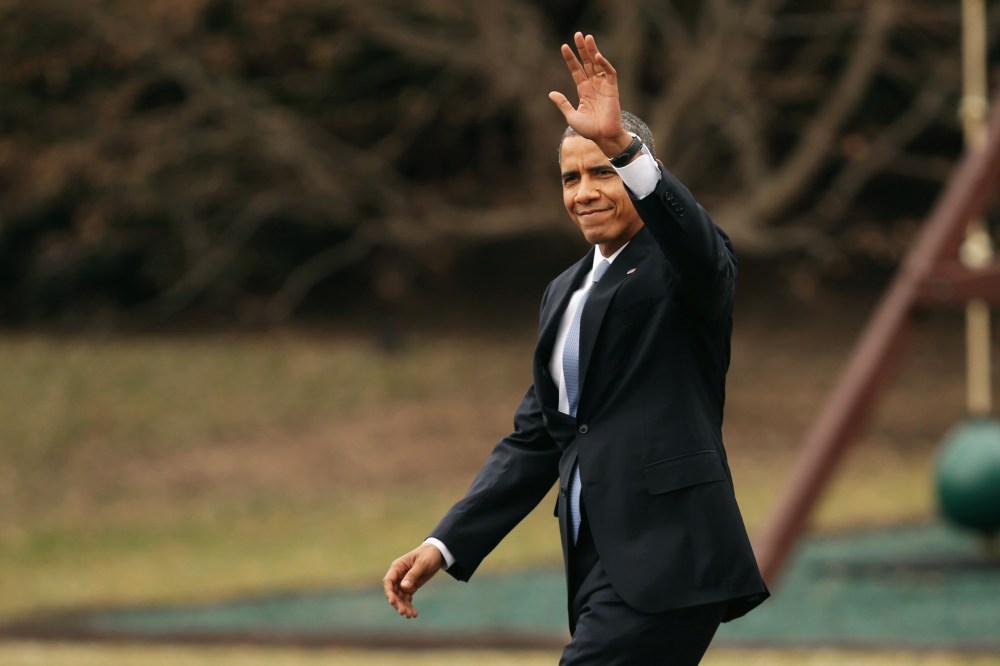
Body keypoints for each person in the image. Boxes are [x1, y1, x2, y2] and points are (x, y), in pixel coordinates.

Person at [383, 32, 769, 665]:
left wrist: (623, 146)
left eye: (602, 172)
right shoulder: (562, 291)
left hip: (670, 557)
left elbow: (699, 248)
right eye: (570, 178)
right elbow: (538, 437)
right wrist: (444, 544)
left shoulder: (682, 267)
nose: (584, 190)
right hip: (594, 558)